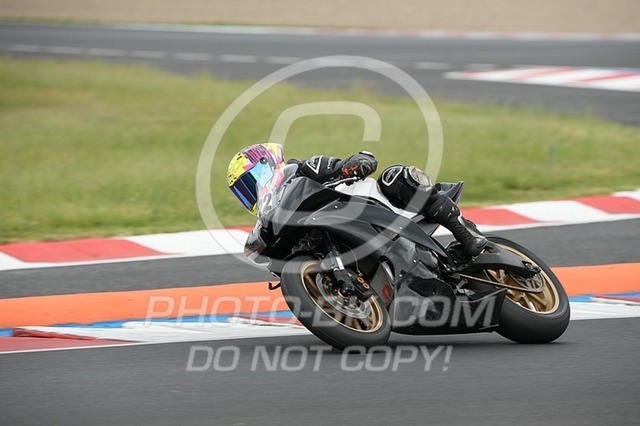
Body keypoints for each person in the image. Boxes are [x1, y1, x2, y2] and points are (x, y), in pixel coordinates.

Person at [227, 143, 487, 257]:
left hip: (374, 210)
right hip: (343, 236)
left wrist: (353, 165)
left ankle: (466, 234)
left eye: (250, 181)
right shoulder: (274, 218)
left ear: (268, 164)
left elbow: (355, 161)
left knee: (395, 176)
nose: (250, 192)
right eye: (243, 191)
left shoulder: (304, 170)